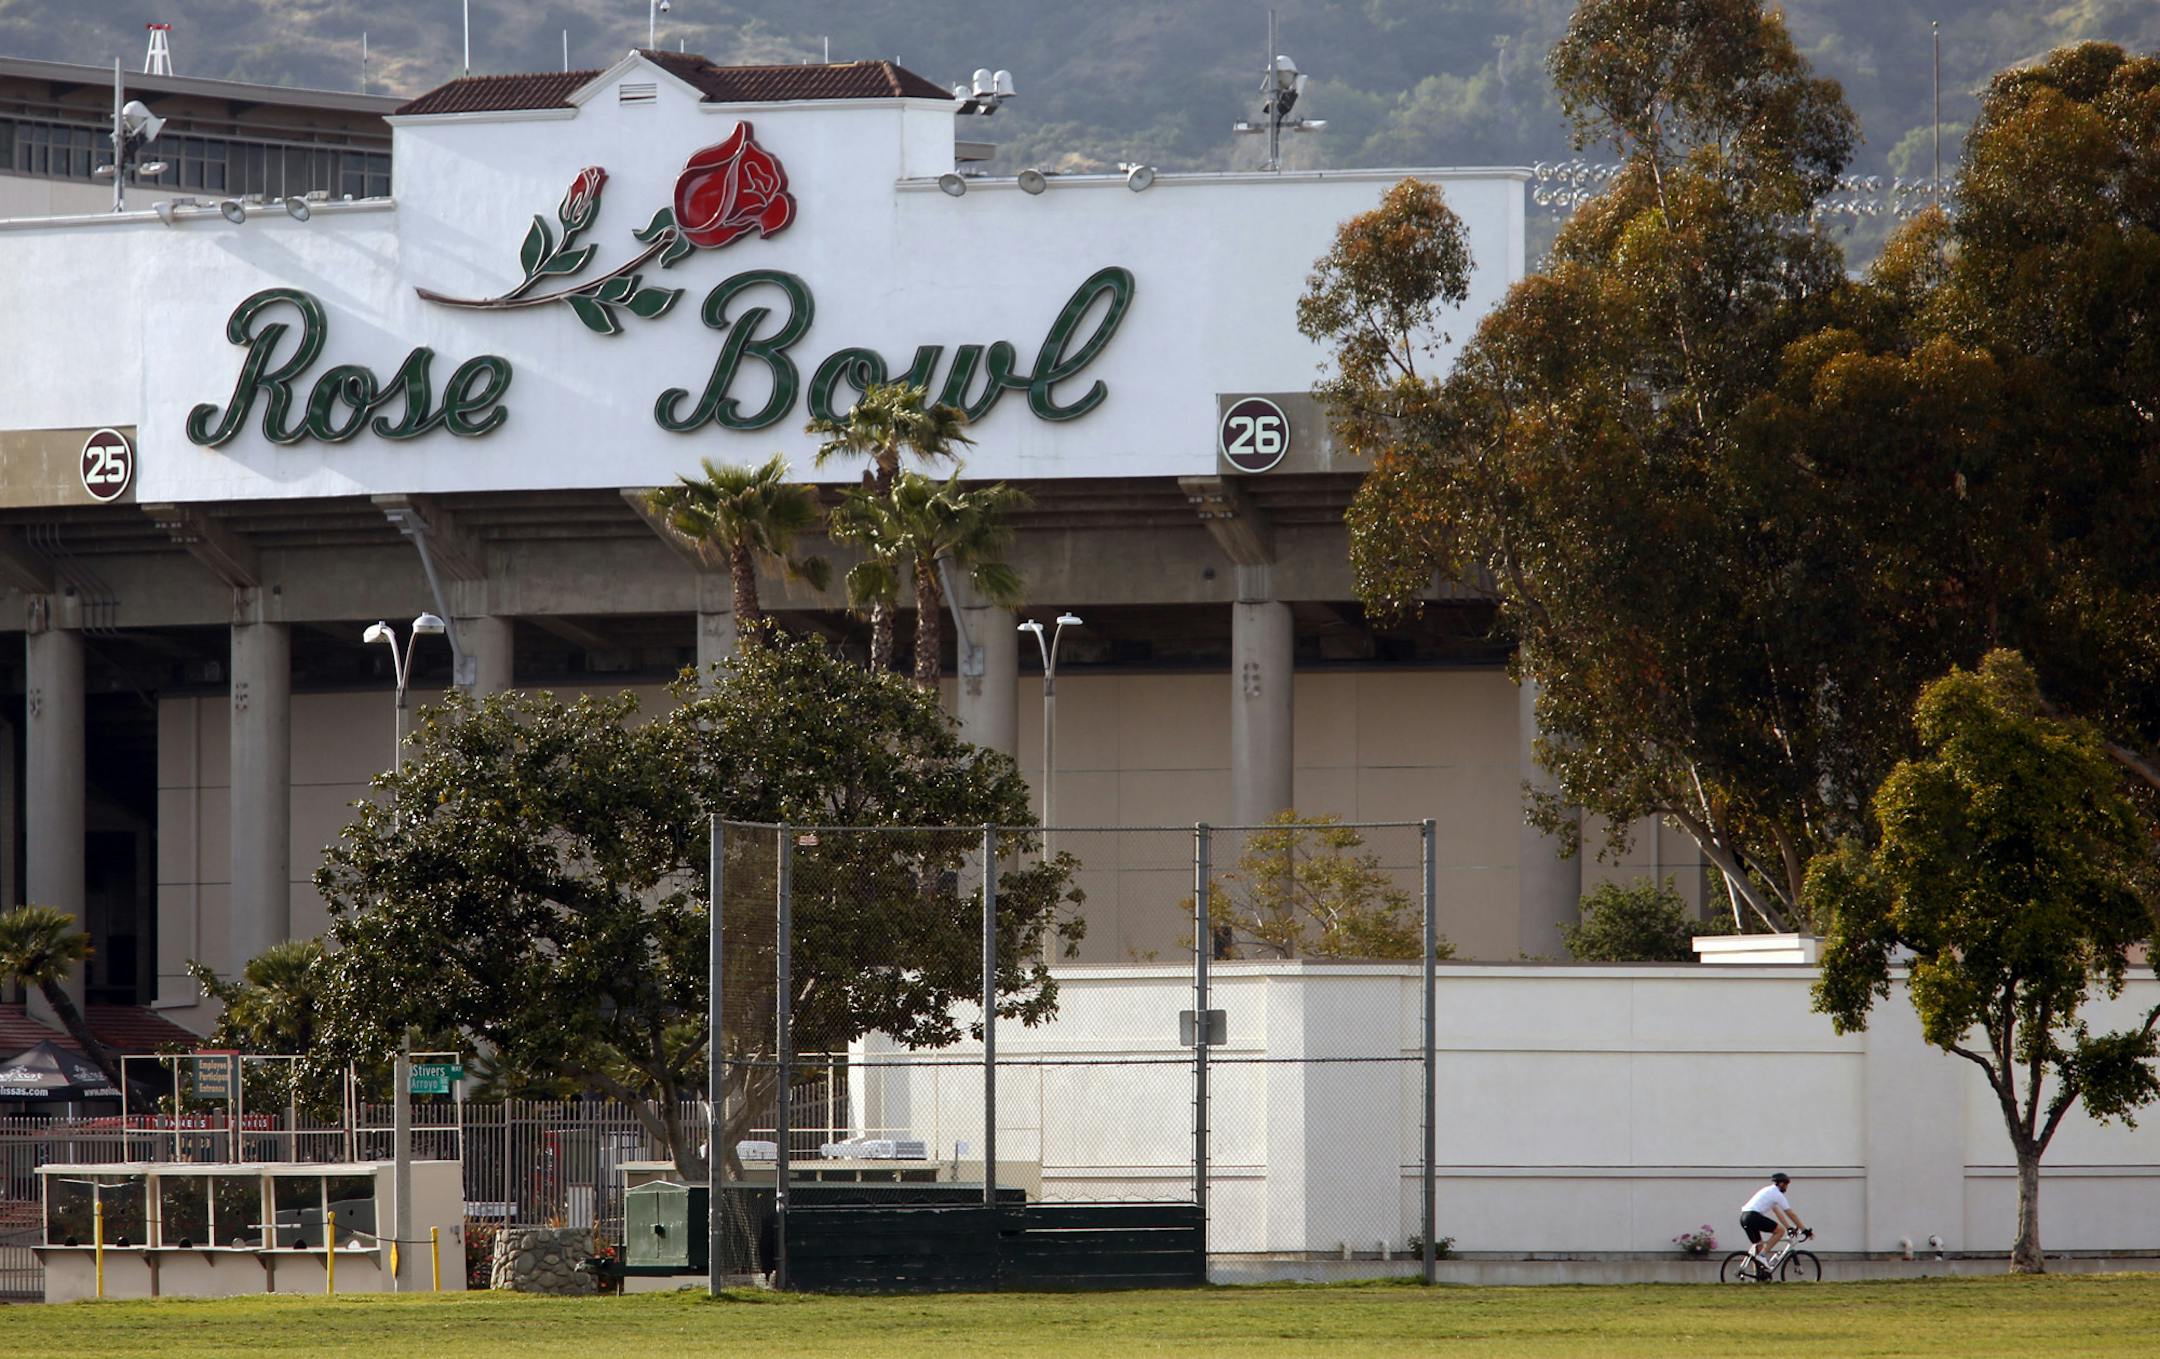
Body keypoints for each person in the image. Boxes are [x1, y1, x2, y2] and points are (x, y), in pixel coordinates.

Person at [1739, 1172, 1806, 1276]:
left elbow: (1776, 1211)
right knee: (1780, 1231)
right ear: (1782, 1184)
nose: (1787, 1187)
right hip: (1753, 1216)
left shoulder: (1767, 1191)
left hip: (1744, 1217)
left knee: (1759, 1247)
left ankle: (1758, 1276)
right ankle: (1762, 1256)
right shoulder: (1777, 1194)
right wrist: (1805, 1230)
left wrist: (1788, 1227)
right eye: (1786, 1184)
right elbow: (1790, 1213)